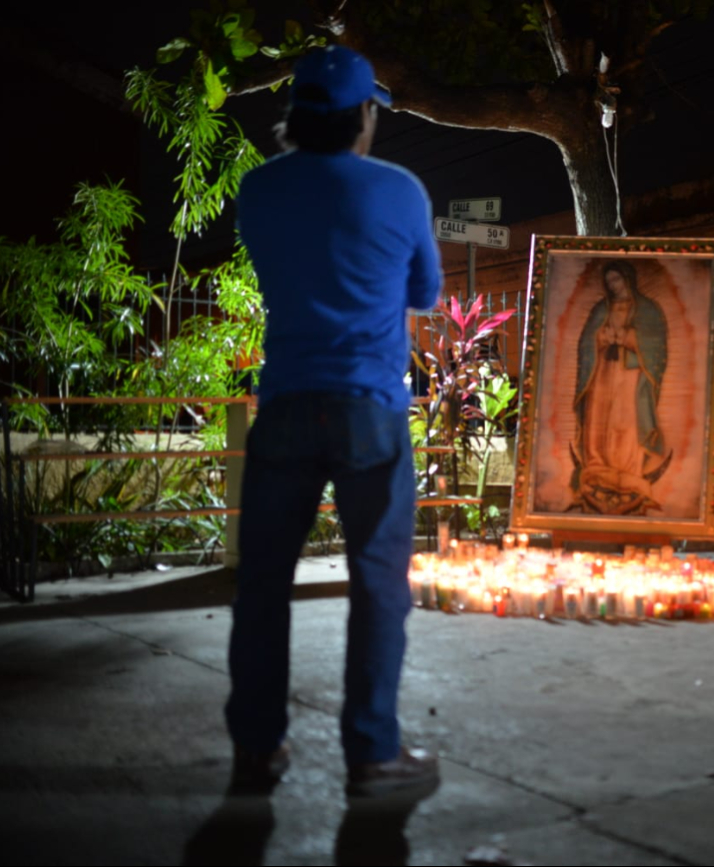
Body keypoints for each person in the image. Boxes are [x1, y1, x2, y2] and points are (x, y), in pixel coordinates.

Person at [224, 45, 443, 806]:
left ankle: (257, 747)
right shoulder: (399, 190)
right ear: (363, 116)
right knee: (379, 586)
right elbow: (425, 292)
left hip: (285, 405)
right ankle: (373, 754)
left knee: (263, 585)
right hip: (370, 413)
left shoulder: (259, 188)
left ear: (296, 116)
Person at [570, 261, 671, 515]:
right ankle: (596, 465)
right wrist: (600, 338)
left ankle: (627, 470)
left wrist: (629, 338)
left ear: (627, 278)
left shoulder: (647, 310)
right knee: (598, 417)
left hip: (630, 375)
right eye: (609, 281)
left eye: (617, 280)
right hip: (602, 371)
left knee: (625, 420)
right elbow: (585, 342)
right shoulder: (601, 309)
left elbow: (657, 345)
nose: (613, 286)